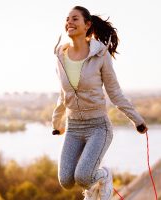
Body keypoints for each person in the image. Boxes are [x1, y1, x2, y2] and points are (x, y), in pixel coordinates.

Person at [51, 6, 148, 200]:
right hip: (74, 128)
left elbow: (114, 93)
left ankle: (104, 176)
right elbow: (63, 95)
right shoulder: (60, 57)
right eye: (67, 19)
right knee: (66, 180)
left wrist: (137, 120)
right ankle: (93, 185)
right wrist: (56, 123)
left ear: (87, 25)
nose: (69, 22)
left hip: (98, 127)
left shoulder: (100, 55)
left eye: (75, 19)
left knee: (84, 177)